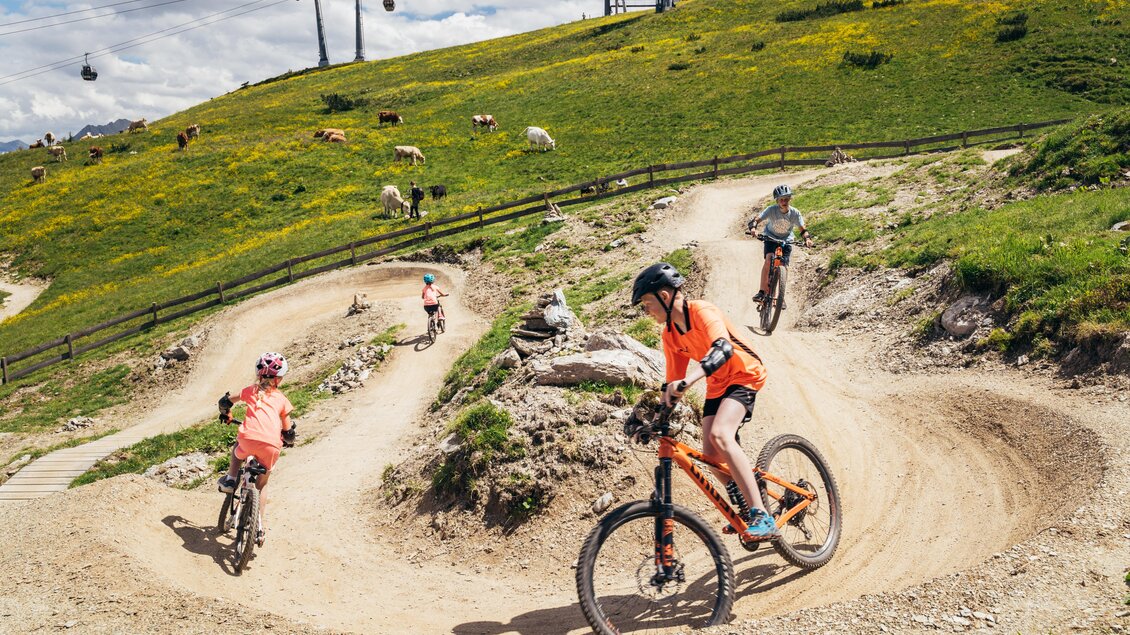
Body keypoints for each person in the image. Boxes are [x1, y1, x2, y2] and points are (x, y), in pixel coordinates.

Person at [630, 262, 779, 540]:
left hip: (744, 372)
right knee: (711, 456)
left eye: (648, 303)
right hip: (718, 383)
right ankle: (746, 503)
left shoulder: (702, 311)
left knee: (722, 434)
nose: (646, 311)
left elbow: (722, 348)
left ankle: (761, 514)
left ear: (664, 296)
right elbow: (671, 384)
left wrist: (689, 381)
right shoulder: (670, 335)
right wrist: (652, 419)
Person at [217, 352, 296, 546]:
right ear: (280, 378)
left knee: (237, 449)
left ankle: (231, 479)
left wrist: (226, 413)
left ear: (258, 374)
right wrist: (288, 438)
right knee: (262, 485)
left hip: (248, 440)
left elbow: (224, 402)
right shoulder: (282, 399)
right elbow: (288, 431)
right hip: (271, 446)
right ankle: (259, 528)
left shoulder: (250, 391)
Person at [747, 184, 813, 304]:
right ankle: (762, 292)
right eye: (781, 199)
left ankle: (779, 297)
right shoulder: (771, 210)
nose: (784, 201)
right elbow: (756, 220)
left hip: (786, 240)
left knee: (784, 266)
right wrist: (753, 229)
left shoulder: (795, 213)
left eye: (786, 198)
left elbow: (803, 230)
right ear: (777, 200)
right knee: (769, 259)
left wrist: (807, 239)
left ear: (790, 199)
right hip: (770, 238)